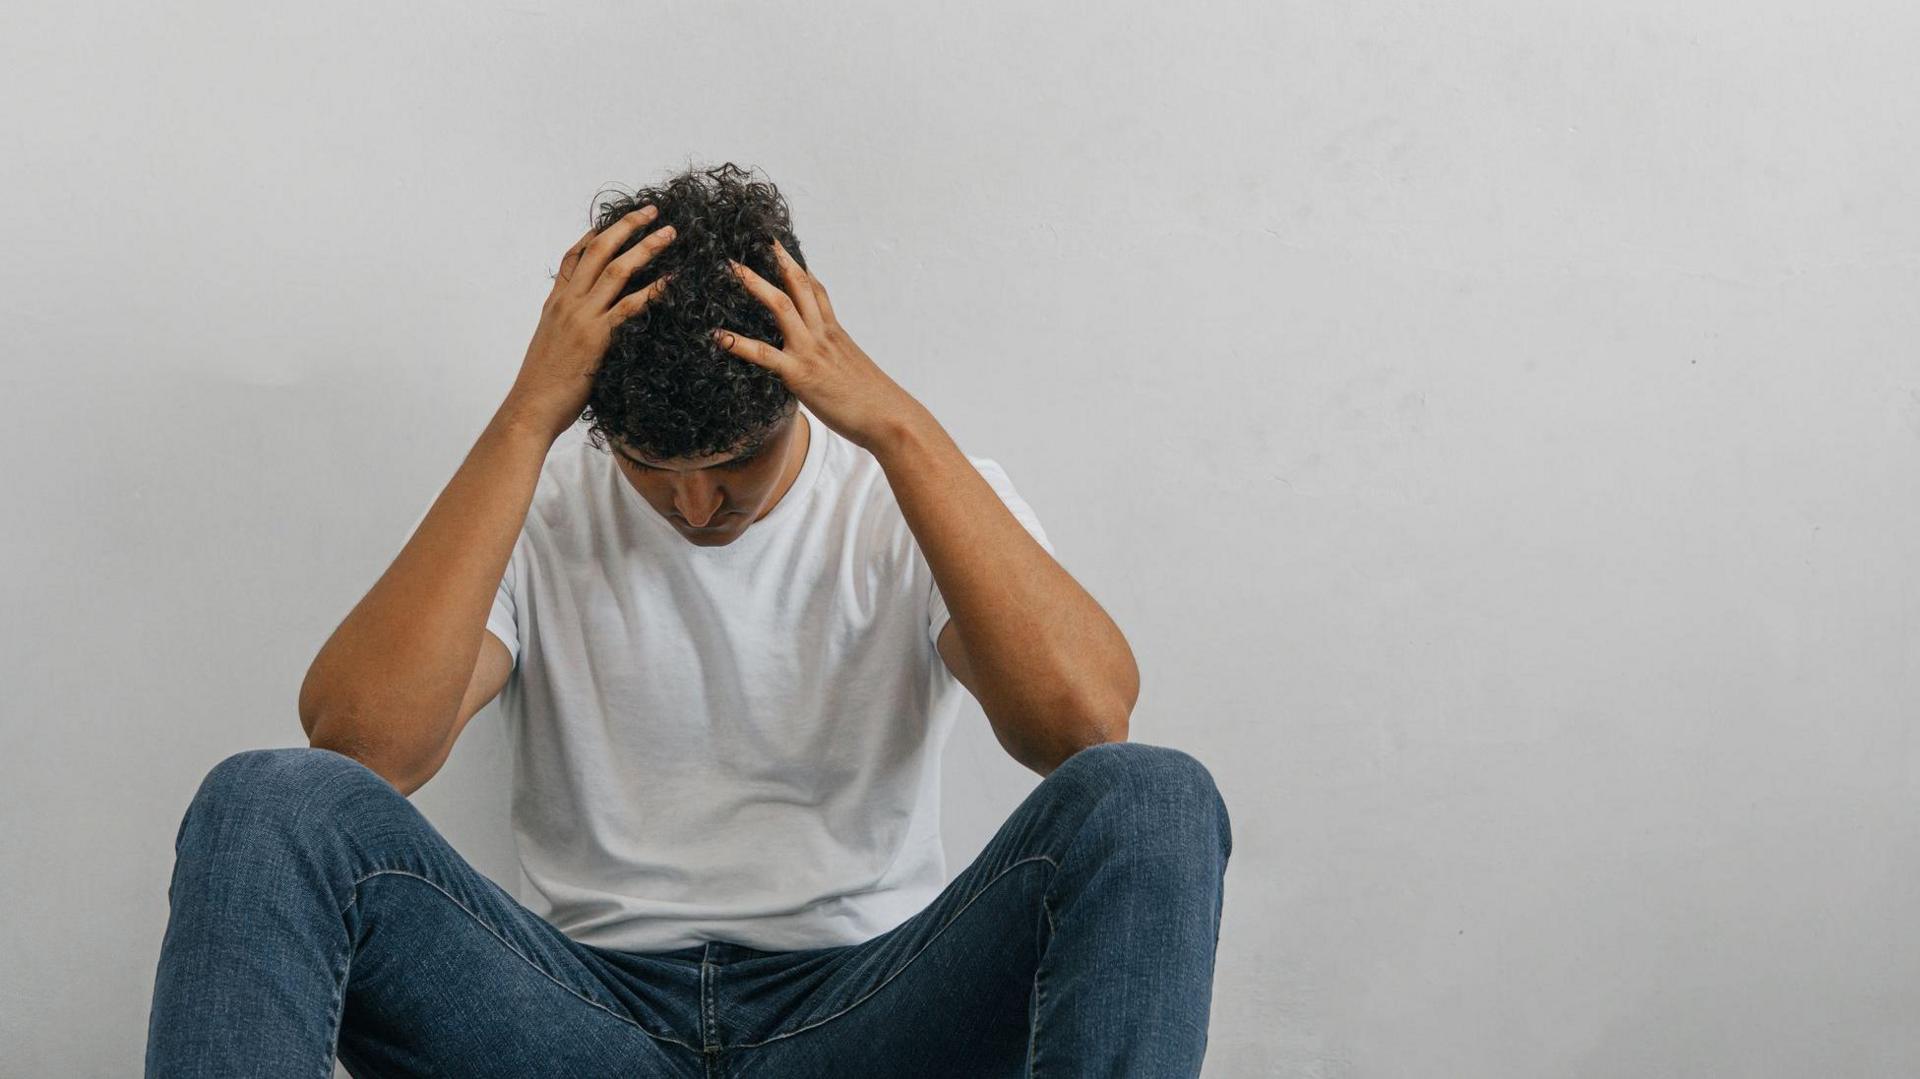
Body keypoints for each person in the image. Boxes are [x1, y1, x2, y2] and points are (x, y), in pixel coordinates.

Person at [144, 162, 1232, 1078]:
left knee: (1153, 796)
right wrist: (530, 416)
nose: (697, 506)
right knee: (265, 799)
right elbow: (362, 747)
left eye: (736, 464)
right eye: (653, 467)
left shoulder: (912, 491)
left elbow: (1085, 723)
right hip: (580, 1017)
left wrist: (895, 427)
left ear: (804, 385)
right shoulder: (537, 497)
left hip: (862, 1012)